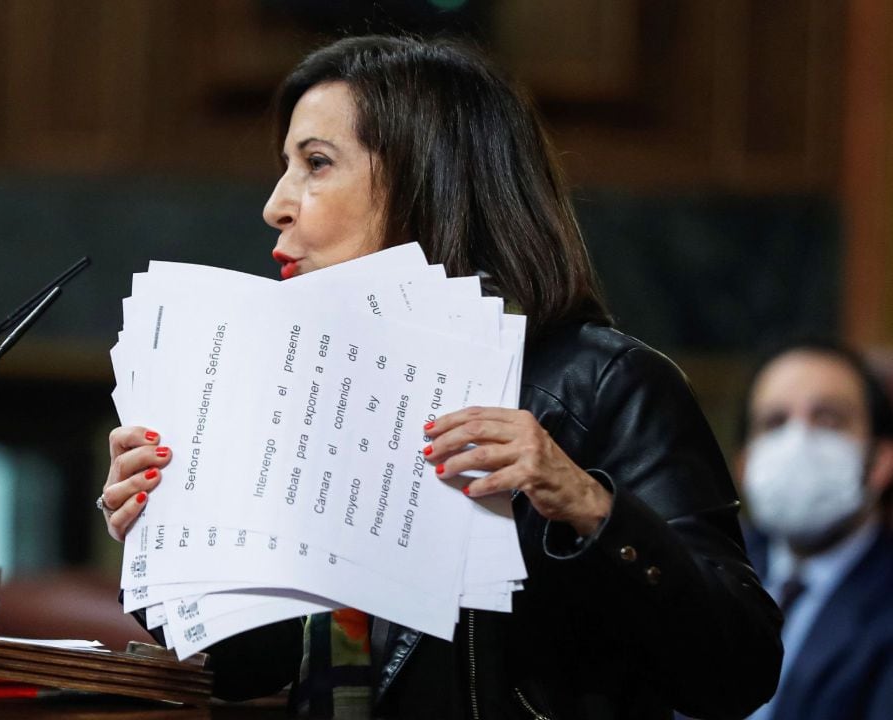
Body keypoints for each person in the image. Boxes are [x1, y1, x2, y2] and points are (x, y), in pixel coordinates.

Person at [100, 35, 782, 719]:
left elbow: (737, 671)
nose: (277, 204)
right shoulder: (311, 397)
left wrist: (586, 505)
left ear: (429, 178)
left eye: (315, 163)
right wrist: (162, 541)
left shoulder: (606, 382)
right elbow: (246, 669)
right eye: (285, 167)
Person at [736, 340, 893, 720]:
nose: (798, 441)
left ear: (880, 461)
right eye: (774, 422)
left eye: (828, 419)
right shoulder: (703, 568)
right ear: (743, 463)